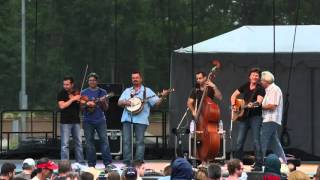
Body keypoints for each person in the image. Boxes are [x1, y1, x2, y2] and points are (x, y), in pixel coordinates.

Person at [118, 71, 169, 166]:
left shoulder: (147, 91)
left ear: (141, 79)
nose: (135, 79)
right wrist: (126, 102)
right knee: (126, 141)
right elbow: (119, 102)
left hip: (141, 120)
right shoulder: (127, 91)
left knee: (140, 142)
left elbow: (156, 103)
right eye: (133, 78)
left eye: (137, 77)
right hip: (127, 119)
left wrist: (163, 96)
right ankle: (127, 162)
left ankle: (138, 162)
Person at [230, 67, 265, 171]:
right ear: (249, 76)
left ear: (258, 78)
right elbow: (233, 95)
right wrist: (234, 105)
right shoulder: (245, 85)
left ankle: (258, 165)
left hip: (255, 117)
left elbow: (259, 101)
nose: (255, 77)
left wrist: (254, 104)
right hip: (244, 116)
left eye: (257, 75)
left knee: (256, 141)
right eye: (253, 75)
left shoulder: (260, 88)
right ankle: (237, 165)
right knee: (239, 141)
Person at [81, 72, 112, 168]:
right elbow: (81, 108)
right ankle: (91, 164)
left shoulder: (103, 92)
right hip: (87, 120)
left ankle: (107, 164)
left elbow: (106, 108)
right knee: (89, 143)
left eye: (94, 80)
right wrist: (87, 104)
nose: (92, 82)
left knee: (104, 141)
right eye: (90, 80)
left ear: (97, 81)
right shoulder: (83, 92)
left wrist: (102, 102)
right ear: (88, 81)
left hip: (100, 120)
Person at [260, 71, 287, 164]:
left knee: (262, 140)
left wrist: (259, 106)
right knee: (274, 142)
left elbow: (272, 106)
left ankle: (259, 162)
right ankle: (283, 161)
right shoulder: (269, 90)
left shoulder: (274, 89)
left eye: (261, 80)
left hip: (270, 119)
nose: (261, 82)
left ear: (266, 80)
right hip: (268, 119)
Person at [57, 76, 84, 163]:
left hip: (76, 121)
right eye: (64, 84)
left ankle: (80, 162)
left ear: (72, 84)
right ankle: (65, 163)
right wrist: (72, 99)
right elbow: (62, 106)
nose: (65, 86)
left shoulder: (77, 93)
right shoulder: (61, 93)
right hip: (65, 122)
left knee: (79, 143)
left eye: (67, 84)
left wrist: (81, 102)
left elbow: (82, 106)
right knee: (65, 144)